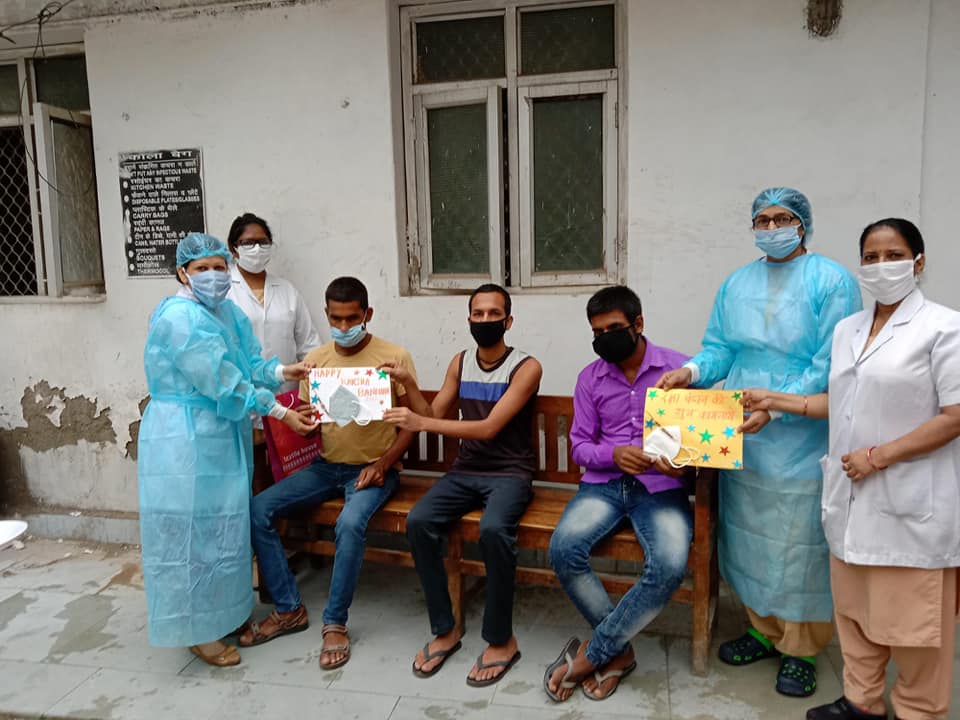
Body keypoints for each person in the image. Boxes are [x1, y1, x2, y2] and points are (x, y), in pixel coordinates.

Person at [739, 218, 960, 720]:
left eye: (893, 255)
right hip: (849, 500)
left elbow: (955, 416)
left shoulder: (944, 328)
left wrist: (878, 456)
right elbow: (837, 401)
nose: (881, 266)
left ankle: (919, 711)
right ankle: (862, 703)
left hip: (910, 505)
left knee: (914, 628)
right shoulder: (849, 330)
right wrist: (774, 401)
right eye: (871, 257)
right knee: (855, 614)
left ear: (919, 263)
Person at [656, 187, 862, 698]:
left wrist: (778, 402)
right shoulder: (736, 284)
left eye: (782, 218)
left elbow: (829, 362)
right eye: (763, 220)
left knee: (798, 540)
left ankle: (801, 648)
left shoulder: (832, 281)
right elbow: (720, 348)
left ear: (803, 224)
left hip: (802, 429)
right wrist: (690, 372)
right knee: (748, 533)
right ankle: (763, 630)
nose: (771, 228)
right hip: (742, 427)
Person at [138, 233, 315, 667]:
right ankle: (197, 630)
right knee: (192, 533)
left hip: (220, 433)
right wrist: (281, 411)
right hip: (183, 438)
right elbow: (223, 382)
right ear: (183, 273)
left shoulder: (226, 312)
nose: (213, 275)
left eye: (219, 267)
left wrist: (283, 371)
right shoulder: (180, 317)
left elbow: (249, 364)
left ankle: (224, 614)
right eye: (202, 268)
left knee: (225, 528)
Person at [241, 277, 416, 671]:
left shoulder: (393, 357)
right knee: (258, 509)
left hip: (374, 470)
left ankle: (335, 622)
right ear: (326, 314)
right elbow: (312, 425)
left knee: (349, 523)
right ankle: (289, 608)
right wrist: (302, 423)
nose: (343, 326)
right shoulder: (317, 361)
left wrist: (383, 465)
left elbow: (411, 424)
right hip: (325, 466)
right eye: (336, 319)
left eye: (352, 318)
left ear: (367, 314)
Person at [381, 283, 542, 687]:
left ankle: (501, 640)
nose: (485, 320)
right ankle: (445, 629)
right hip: (466, 471)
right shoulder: (460, 361)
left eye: (494, 314)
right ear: (468, 318)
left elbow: (487, 428)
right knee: (419, 522)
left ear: (508, 320)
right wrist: (409, 384)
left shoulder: (527, 367)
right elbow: (434, 411)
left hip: (509, 473)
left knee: (493, 530)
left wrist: (421, 422)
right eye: (478, 313)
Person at [544, 286, 693, 702]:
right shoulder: (590, 378)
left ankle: (594, 653)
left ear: (638, 323)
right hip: (604, 485)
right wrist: (613, 454)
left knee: (668, 566)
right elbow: (579, 446)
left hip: (661, 488)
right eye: (596, 332)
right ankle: (618, 651)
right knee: (564, 550)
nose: (604, 338)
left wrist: (685, 464)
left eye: (613, 328)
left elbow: (704, 439)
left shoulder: (679, 370)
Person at [225, 213, 322, 493]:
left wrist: (314, 392)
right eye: (248, 243)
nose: (257, 248)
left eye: (263, 242)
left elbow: (309, 344)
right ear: (233, 248)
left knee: (287, 474)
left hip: (286, 397)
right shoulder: (224, 291)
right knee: (250, 478)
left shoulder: (286, 290)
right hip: (242, 397)